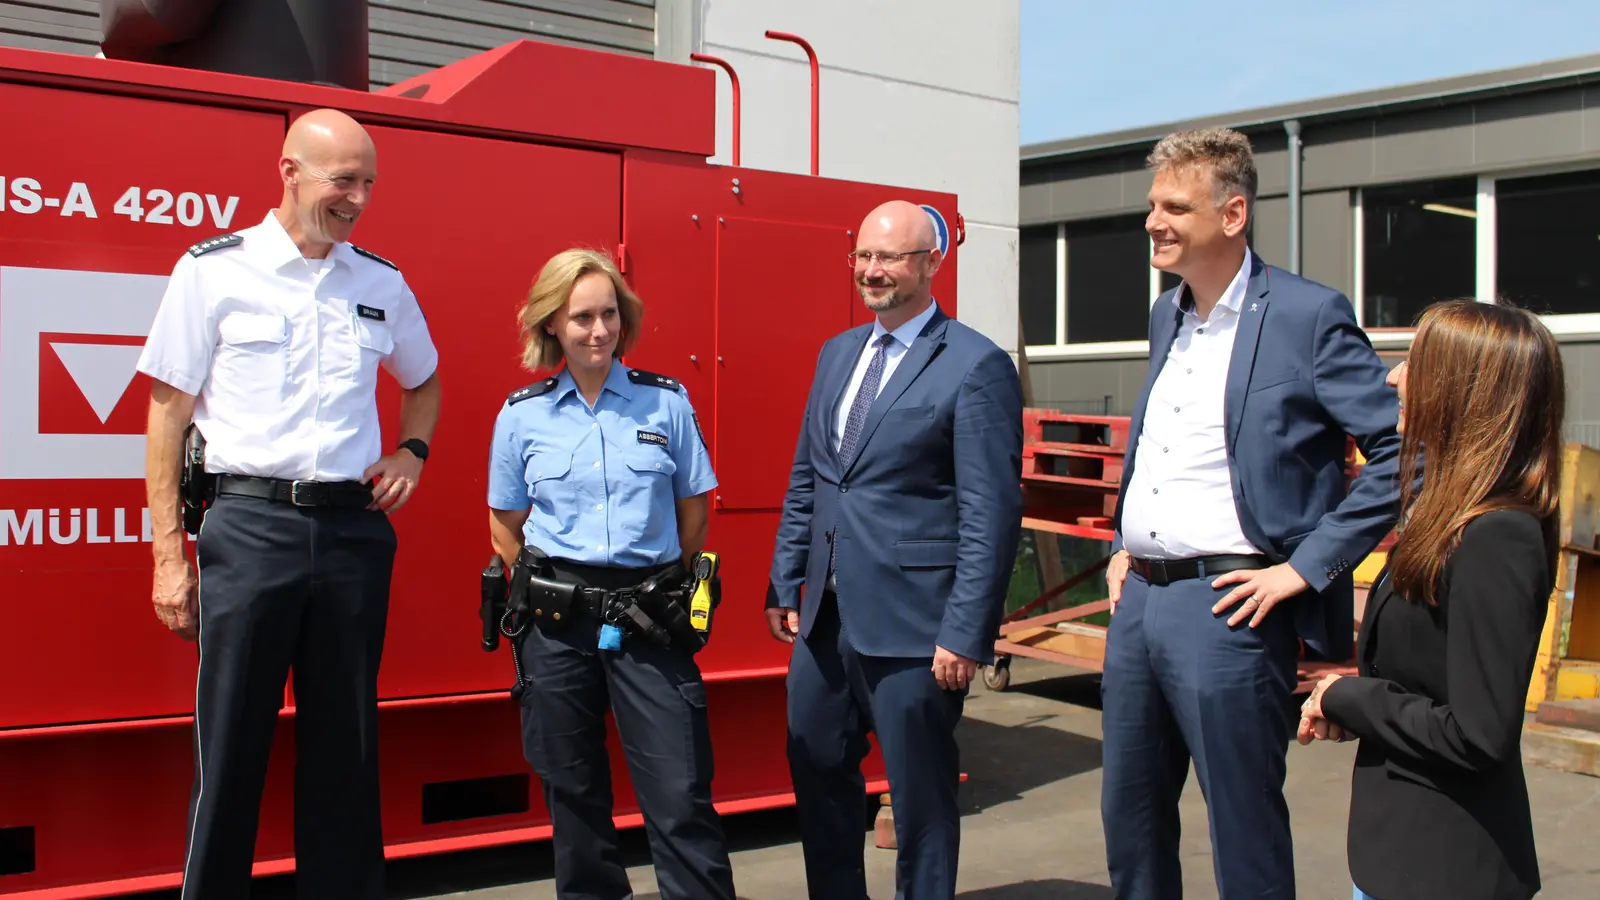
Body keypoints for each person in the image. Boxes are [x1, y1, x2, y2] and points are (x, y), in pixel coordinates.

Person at [137, 108, 441, 899]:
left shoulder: (381, 282)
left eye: (369, 183)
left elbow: (425, 380)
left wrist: (411, 449)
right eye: (344, 180)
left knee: (347, 751)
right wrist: (170, 555)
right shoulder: (213, 271)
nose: (359, 199)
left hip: (351, 535)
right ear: (290, 172)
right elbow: (167, 414)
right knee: (231, 745)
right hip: (249, 529)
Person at [1099, 126, 1403, 900]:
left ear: (1232, 215)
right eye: (1151, 205)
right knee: (1129, 823)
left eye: (1174, 206)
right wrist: (1121, 544)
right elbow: (1168, 449)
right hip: (1139, 605)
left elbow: (1404, 457)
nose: (1153, 222)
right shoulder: (1168, 315)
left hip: (1228, 611)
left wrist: (1304, 569)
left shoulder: (1307, 316)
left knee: (1243, 831)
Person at [765, 199, 1024, 900]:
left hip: (917, 629)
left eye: (890, 258)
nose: (872, 271)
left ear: (932, 263)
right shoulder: (839, 353)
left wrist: (967, 632)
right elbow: (811, 478)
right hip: (825, 616)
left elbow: (991, 513)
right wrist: (787, 580)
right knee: (816, 767)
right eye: (863, 256)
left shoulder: (975, 365)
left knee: (920, 799)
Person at [486, 248, 736, 900]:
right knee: (573, 797)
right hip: (559, 628)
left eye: (609, 315)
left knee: (681, 793)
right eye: (581, 318)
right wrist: (554, 594)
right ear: (551, 326)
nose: (598, 331)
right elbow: (505, 525)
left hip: (649, 620)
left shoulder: (666, 405)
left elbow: (694, 514)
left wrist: (663, 588)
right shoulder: (521, 416)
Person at [1300, 299, 1562, 900]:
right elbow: (1430, 685)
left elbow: (1479, 733)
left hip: (1447, 869)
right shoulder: (1449, 516)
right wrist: (1353, 707)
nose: (1391, 375)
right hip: (1403, 857)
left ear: (1462, 389)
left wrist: (1354, 697)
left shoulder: (1498, 536)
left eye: (1414, 361)